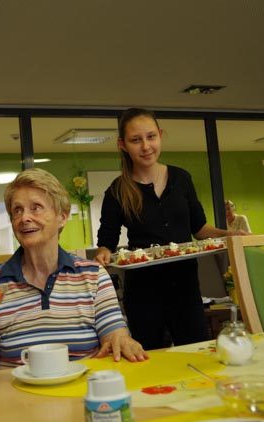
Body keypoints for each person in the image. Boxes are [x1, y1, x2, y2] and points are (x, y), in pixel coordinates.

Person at [94, 108, 247, 350]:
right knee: (151, 360)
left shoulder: (181, 178)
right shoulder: (117, 191)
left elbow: (199, 228)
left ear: (160, 135)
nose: (146, 146)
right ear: (122, 145)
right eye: (136, 140)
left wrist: (228, 235)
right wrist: (103, 253)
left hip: (186, 289)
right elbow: (107, 241)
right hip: (143, 295)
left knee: (196, 353)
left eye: (151, 137)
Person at [0, 168, 148, 372]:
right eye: (17, 210)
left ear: (62, 217)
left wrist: (121, 340)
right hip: (18, 398)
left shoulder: (94, 276)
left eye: (36, 208)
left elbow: (114, 337)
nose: (24, 217)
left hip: (82, 395)